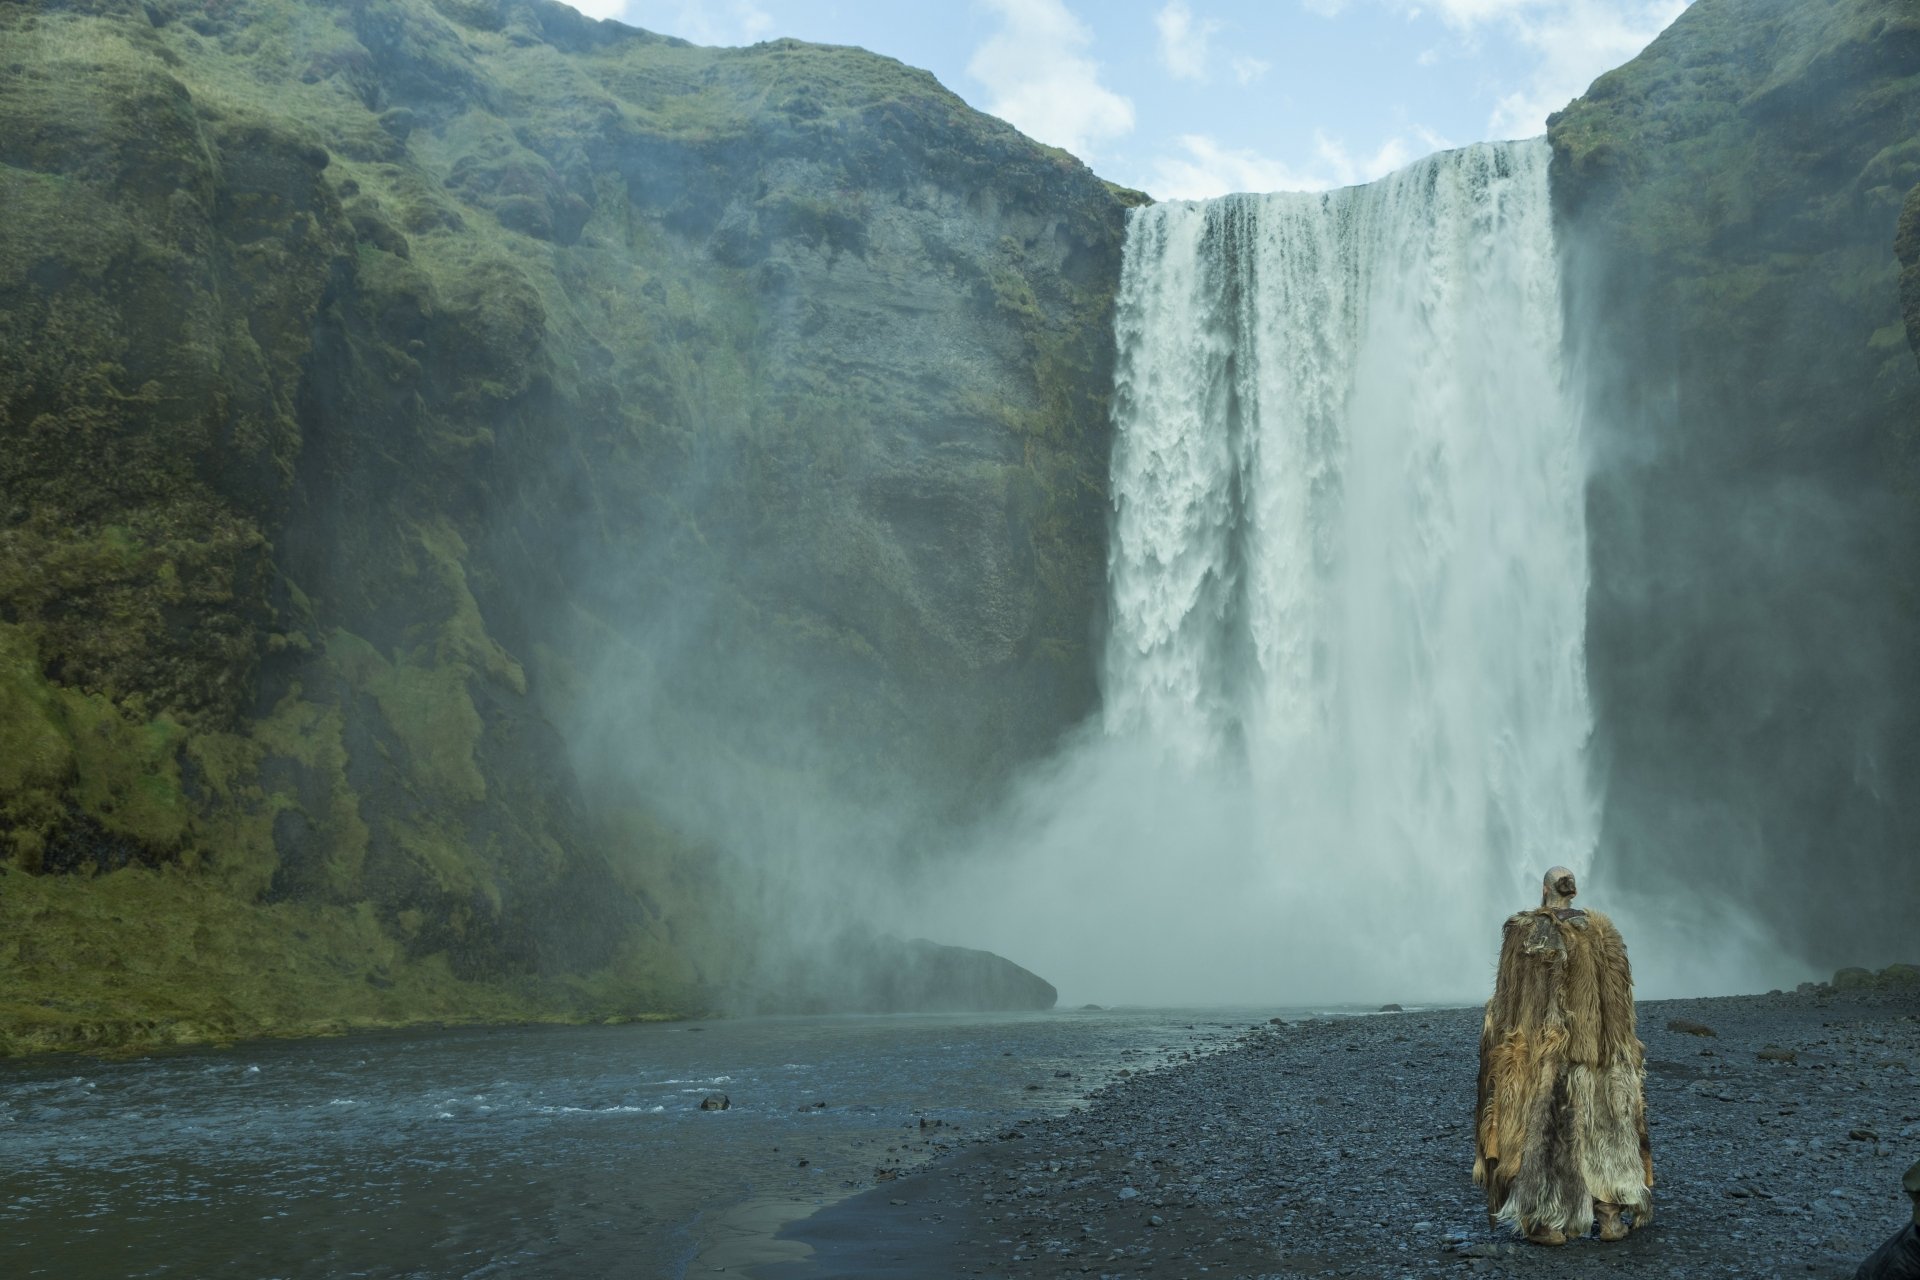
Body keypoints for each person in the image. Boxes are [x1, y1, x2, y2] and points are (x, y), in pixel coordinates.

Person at [1473, 866, 1653, 1245]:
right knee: (1607, 1131)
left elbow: (1512, 1001)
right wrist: (1620, 1052)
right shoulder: (1606, 935)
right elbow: (1622, 1002)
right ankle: (1610, 1219)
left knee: (1547, 1135)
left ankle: (1548, 1222)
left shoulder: (1529, 931)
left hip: (1550, 1053)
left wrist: (1504, 1049)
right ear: (1572, 891)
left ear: (1545, 890)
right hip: (1603, 1052)